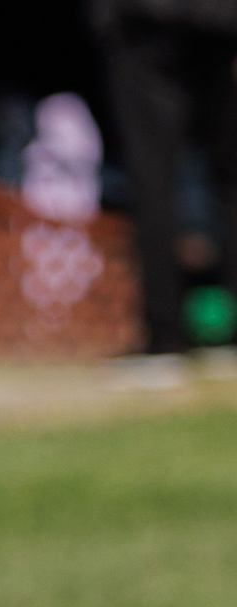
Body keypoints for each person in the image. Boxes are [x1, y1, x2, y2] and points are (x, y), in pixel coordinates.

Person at [94, 0, 237, 360]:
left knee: (151, 179)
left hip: (146, 21)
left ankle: (163, 335)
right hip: (220, 22)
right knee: (228, 179)